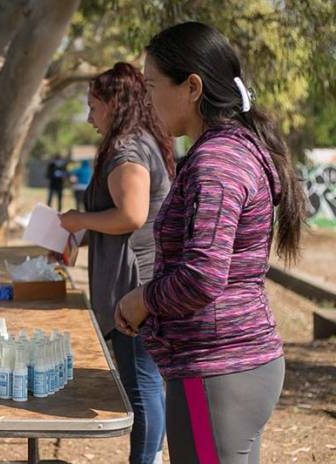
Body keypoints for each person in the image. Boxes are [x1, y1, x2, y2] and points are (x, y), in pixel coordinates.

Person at [116, 22, 306, 463]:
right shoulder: (230, 150)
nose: (147, 98)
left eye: (152, 85)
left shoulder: (217, 161)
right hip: (229, 368)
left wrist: (142, 300)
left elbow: (202, 276)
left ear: (192, 87)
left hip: (216, 374)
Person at [59, 62, 175, 464]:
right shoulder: (139, 142)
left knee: (141, 387)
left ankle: (145, 460)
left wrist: (78, 221)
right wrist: (83, 231)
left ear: (114, 104)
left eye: (93, 106)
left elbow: (131, 216)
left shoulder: (127, 149)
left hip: (136, 286)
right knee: (146, 385)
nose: (89, 116)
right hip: (139, 282)